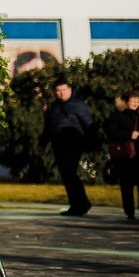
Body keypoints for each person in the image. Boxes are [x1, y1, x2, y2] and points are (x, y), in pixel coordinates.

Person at [42, 80, 97, 217]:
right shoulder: (54, 106)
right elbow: (48, 126)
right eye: (58, 91)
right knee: (66, 175)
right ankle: (77, 204)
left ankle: (81, 204)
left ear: (70, 90)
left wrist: (93, 144)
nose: (61, 93)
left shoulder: (78, 105)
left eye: (64, 90)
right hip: (58, 145)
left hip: (74, 144)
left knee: (69, 173)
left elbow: (89, 124)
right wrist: (42, 143)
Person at [106, 90, 139, 222]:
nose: (135, 103)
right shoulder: (117, 116)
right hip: (125, 156)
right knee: (127, 185)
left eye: (137, 100)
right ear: (125, 102)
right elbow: (112, 133)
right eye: (132, 100)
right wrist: (129, 135)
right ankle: (130, 213)